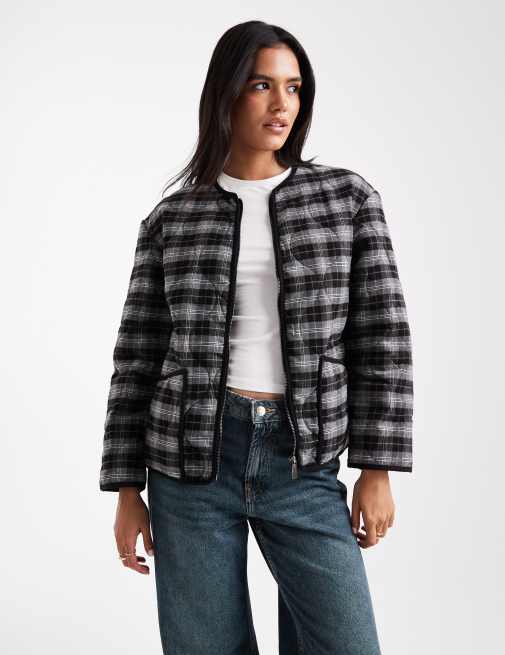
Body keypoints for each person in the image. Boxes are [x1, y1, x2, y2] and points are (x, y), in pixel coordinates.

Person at [99, 20, 413, 655]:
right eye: (261, 85)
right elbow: (136, 359)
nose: (281, 105)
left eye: (293, 88)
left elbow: (382, 337)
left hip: (302, 460)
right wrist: (126, 489)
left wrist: (377, 466)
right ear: (226, 92)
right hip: (189, 467)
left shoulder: (346, 200)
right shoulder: (173, 218)